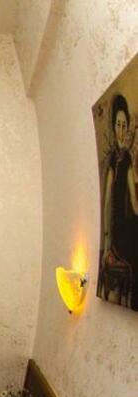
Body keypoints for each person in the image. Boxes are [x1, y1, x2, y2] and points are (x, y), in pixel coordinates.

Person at [100, 93, 138, 306]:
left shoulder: (128, 159)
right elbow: (107, 202)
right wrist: (106, 241)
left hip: (128, 225)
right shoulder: (112, 160)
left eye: (125, 126)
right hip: (116, 231)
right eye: (118, 125)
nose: (121, 131)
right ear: (113, 127)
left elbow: (134, 202)